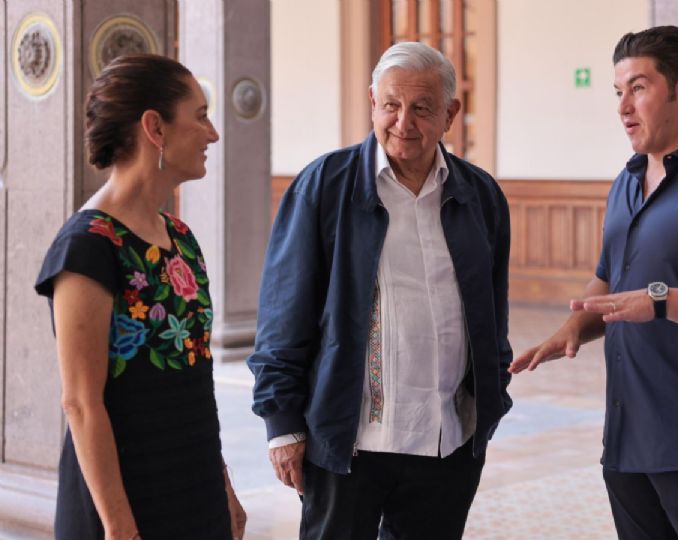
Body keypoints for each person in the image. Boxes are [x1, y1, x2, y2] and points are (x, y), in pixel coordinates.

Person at [509, 27, 678, 540]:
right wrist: (572, 329)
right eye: (618, 92)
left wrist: (662, 302)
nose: (624, 107)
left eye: (639, 88)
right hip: (626, 440)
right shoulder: (625, 182)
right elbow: (610, 277)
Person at [247, 41, 512, 539]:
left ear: (451, 113)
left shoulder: (481, 197)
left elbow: (493, 312)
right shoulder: (324, 186)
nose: (403, 122)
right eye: (390, 105)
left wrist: (494, 398)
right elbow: (283, 314)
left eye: (422, 108)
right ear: (372, 102)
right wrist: (282, 424)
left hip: (447, 442)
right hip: (349, 443)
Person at [34, 55, 245, 539]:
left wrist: (224, 486)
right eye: (200, 115)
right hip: (123, 501)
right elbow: (81, 403)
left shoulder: (181, 237)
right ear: (155, 127)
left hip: (194, 489)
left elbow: (194, 382)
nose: (212, 134)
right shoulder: (87, 246)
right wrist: (119, 527)